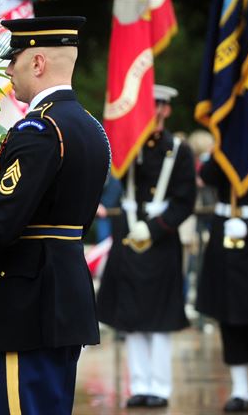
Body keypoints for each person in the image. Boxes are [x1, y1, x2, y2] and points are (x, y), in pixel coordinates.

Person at [0, 16, 110, 414]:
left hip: (28, 305)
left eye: (14, 59)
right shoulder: (91, 128)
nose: (8, 69)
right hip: (65, 298)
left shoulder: (38, 129)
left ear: (38, 63)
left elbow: (1, 228)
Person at [96, 85, 196, 408]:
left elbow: (185, 201)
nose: (150, 111)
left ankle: (160, 386)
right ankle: (139, 385)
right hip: (128, 236)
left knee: (160, 320)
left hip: (161, 240)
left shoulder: (179, 150)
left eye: (157, 106)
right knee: (132, 317)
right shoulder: (127, 147)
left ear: (166, 110)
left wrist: (153, 229)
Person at [196, 97, 248, 414]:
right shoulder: (225, 151)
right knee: (229, 316)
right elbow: (209, 175)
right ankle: (240, 388)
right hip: (225, 237)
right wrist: (223, 140)